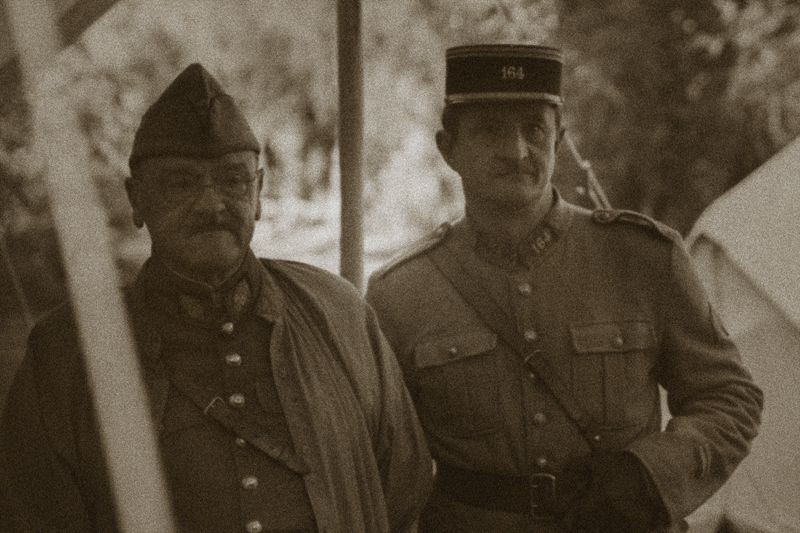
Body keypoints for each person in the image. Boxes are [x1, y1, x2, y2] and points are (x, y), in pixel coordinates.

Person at [0, 63, 432, 533]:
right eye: (180, 184)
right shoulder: (67, 355)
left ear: (260, 192)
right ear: (136, 199)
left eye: (233, 180)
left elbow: (403, 493)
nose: (211, 204)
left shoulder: (340, 316)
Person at [365, 44, 763, 533]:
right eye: (490, 129)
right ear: (449, 149)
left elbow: (728, 396)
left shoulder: (642, 258)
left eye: (534, 128)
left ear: (560, 139)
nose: (516, 151)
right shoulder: (399, 295)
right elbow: (373, 461)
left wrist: (649, 477)